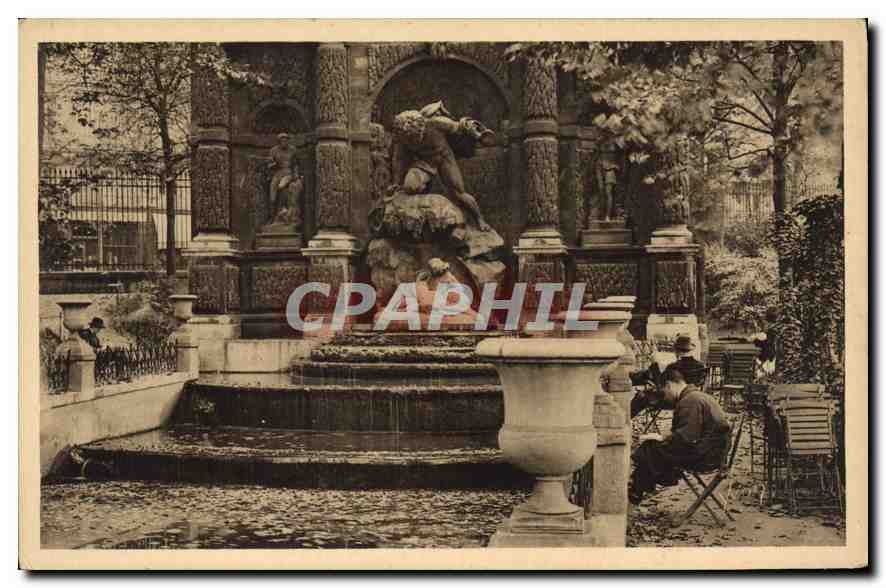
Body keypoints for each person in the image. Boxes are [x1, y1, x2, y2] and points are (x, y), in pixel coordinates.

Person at [628, 367, 732, 505]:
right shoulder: (697, 396)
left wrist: (663, 438)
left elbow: (687, 438)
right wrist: (666, 438)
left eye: (664, 391)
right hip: (713, 451)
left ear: (669, 385)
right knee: (653, 450)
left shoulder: (689, 401)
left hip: (706, 457)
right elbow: (690, 433)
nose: (665, 396)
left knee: (650, 448)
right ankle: (641, 486)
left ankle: (638, 489)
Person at [390, 101, 496, 231]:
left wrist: (478, 135)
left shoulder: (436, 123)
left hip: (445, 158)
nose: (412, 142)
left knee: (459, 193)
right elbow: (398, 160)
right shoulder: (402, 138)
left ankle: (480, 219)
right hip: (425, 163)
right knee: (410, 186)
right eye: (409, 140)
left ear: (421, 127)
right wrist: (396, 182)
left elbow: (461, 127)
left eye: (415, 137)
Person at [629, 334, 706, 418]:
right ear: (690, 350)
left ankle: (625, 420)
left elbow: (660, 386)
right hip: (692, 400)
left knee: (641, 396)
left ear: (676, 350)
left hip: (672, 401)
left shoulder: (674, 367)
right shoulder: (701, 366)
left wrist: (654, 364)